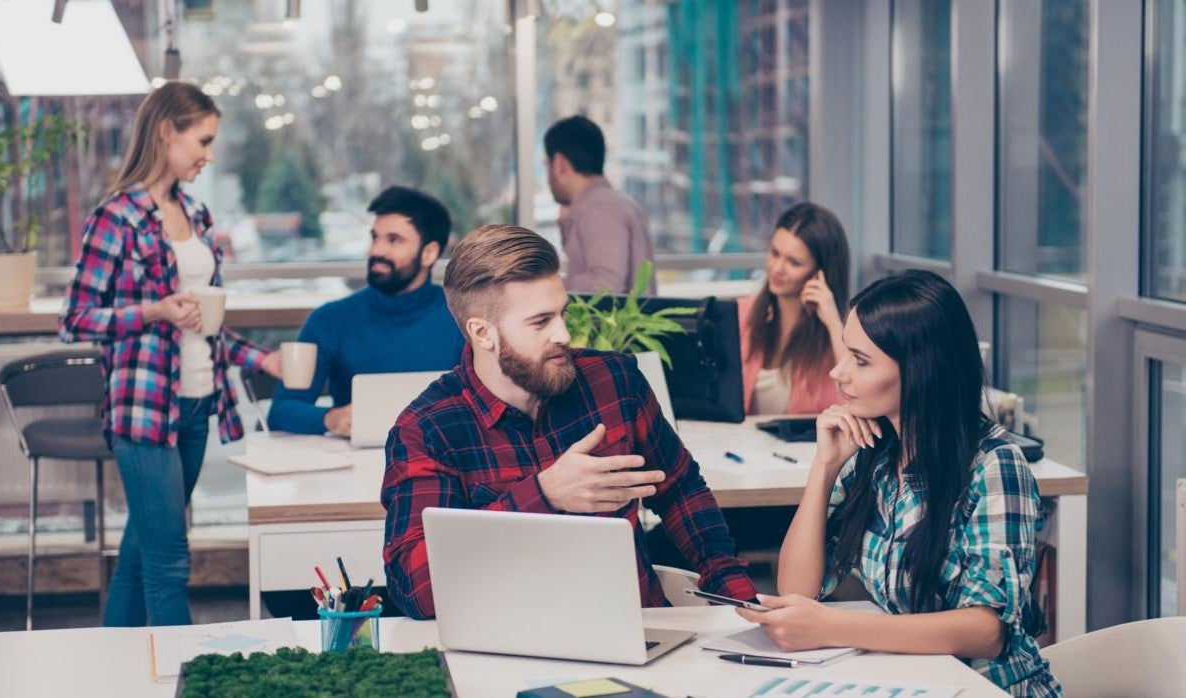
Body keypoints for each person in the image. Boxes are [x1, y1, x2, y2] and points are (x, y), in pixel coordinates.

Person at [381, 224, 753, 620]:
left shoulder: (614, 382)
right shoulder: (427, 430)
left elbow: (680, 489)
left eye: (562, 313)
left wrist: (735, 594)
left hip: (633, 629)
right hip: (507, 645)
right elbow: (414, 588)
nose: (564, 334)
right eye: (540, 322)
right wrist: (544, 495)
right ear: (482, 333)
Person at [736, 270, 1060, 696]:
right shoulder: (875, 453)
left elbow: (985, 630)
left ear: (920, 369)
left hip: (988, 688)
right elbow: (798, 588)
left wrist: (833, 626)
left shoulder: (995, 466)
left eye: (861, 360)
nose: (838, 372)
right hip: (914, 683)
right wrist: (824, 467)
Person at [60, 81, 282, 626]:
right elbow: (76, 319)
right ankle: (181, 679)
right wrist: (153, 312)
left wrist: (263, 361)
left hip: (198, 405)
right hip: (143, 412)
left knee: (141, 551)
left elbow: (205, 325)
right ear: (167, 131)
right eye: (201, 140)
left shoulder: (197, 216)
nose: (208, 155)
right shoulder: (116, 218)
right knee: (169, 562)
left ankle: (113, 667)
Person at [266, 186, 466, 436]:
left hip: (444, 462)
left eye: (394, 240)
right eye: (375, 237)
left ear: (429, 253)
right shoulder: (330, 320)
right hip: (354, 465)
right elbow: (282, 411)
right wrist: (329, 418)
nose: (376, 251)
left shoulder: (462, 318)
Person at [739, 202, 849, 415]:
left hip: (806, 448)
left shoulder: (844, 331)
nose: (777, 268)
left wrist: (833, 323)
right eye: (774, 253)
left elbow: (857, 398)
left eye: (794, 262)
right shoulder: (744, 314)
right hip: (743, 444)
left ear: (821, 273)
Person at [544, 115, 656, 295]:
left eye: (546, 165)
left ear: (559, 164)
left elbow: (605, 286)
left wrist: (548, 288)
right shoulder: (616, 203)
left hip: (617, 324)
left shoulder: (599, 209)